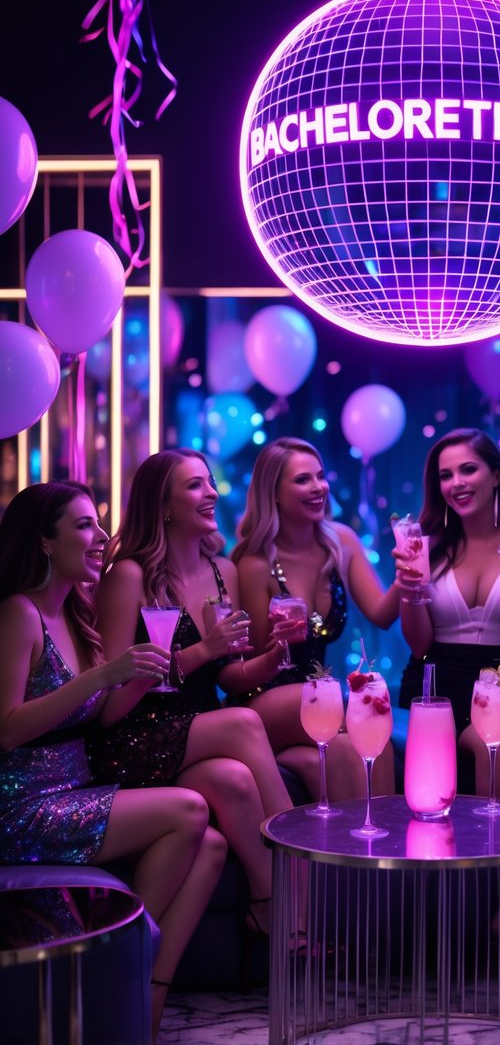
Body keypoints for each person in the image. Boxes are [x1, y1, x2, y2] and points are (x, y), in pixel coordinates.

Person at [0, 482, 227, 1041]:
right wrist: (101, 675)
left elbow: (105, 710)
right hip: (24, 806)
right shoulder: (18, 613)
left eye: (98, 524)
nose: (102, 537)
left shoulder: (78, 613)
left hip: (75, 789)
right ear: (45, 542)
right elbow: (6, 729)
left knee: (214, 847)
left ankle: (146, 996)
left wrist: (148, 671)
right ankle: (112, 971)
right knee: (188, 812)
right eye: (83, 526)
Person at [85, 449, 293, 940]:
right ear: (164, 505)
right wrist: (201, 651)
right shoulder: (130, 576)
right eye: (195, 486)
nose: (211, 494)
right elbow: (108, 707)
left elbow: (231, 677)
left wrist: (273, 656)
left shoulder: (224, 570)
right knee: (241, 723)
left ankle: (274, 909)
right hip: (132, 738)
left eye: (210, 483)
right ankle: (302, 856)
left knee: (234, 779)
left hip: (199, 733)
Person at [227, 437, 400, 799]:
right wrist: (279, 643)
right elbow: (246, 664)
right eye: (303, 480)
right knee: (358, 705)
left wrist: (407, 577)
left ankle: (376, 842)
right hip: (266, 696)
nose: (319, 487)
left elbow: (383, 615)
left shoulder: (341, 542)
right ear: (272, 492)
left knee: (352, 740)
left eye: (320, 477)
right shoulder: (255, 564)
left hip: (318, 693)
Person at [395, 428, 500, 801]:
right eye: (445, 475)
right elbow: (419, 645)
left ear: (496, 474)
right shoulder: (427, 545)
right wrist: (409, 591)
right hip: (435, 679)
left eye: (468, 470)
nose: (457, 483)